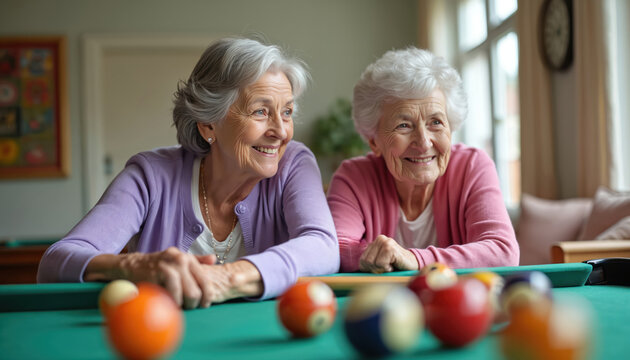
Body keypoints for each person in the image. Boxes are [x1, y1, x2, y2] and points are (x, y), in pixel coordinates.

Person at [38, 37, 339, 308]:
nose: (281, 131)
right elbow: (55, 262)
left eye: (286, 112)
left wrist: (231, 277)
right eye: (261, 111)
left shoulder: (295, 163)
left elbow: (323, 246)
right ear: (209, 124)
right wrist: (133, 266)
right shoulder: (151, 176)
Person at [327, 47, 519, 273]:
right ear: (374, 141)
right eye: (404, 125)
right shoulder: (354, 177)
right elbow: (332, 249)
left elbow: (502, 251)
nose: (424, 142)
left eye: (435, 122)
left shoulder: (472, 166)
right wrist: (380, 256)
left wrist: (415, 259)